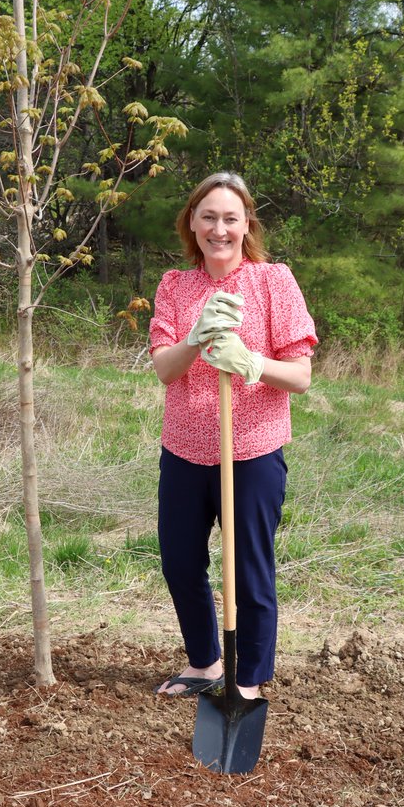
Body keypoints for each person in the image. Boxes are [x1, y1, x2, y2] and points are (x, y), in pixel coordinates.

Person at [148, 171, 317, 701]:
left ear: (246, 226)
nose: (219, 229)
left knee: (248, 569)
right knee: (180, 562)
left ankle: (249, 680)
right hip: (184, 448)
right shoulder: (175, 286)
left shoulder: (274, 281)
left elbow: (302, 376)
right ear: (191, 224)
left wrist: (251, 362)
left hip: (253, 448)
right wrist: (197, 338)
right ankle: (205, 664)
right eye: (208, 217)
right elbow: (164, 369)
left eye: (230, 218)